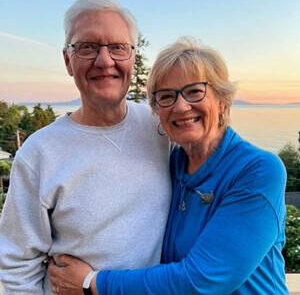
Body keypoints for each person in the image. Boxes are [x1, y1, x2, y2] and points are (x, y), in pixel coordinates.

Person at [48, 37, 288, 294]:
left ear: (222, 100)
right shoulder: (172, 164)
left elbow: (204, 278)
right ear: (157, 111)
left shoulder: (258, 171)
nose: (181, 106)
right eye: (166, 96)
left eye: (195, 91)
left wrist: (92, 283)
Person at [0, 0, 171, 294]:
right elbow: (17, 265)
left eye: (117, 48)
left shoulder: (161, 129)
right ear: (67, 60)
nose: (104, 61)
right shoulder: (39, 153)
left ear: (132, 57)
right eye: (87, 47)